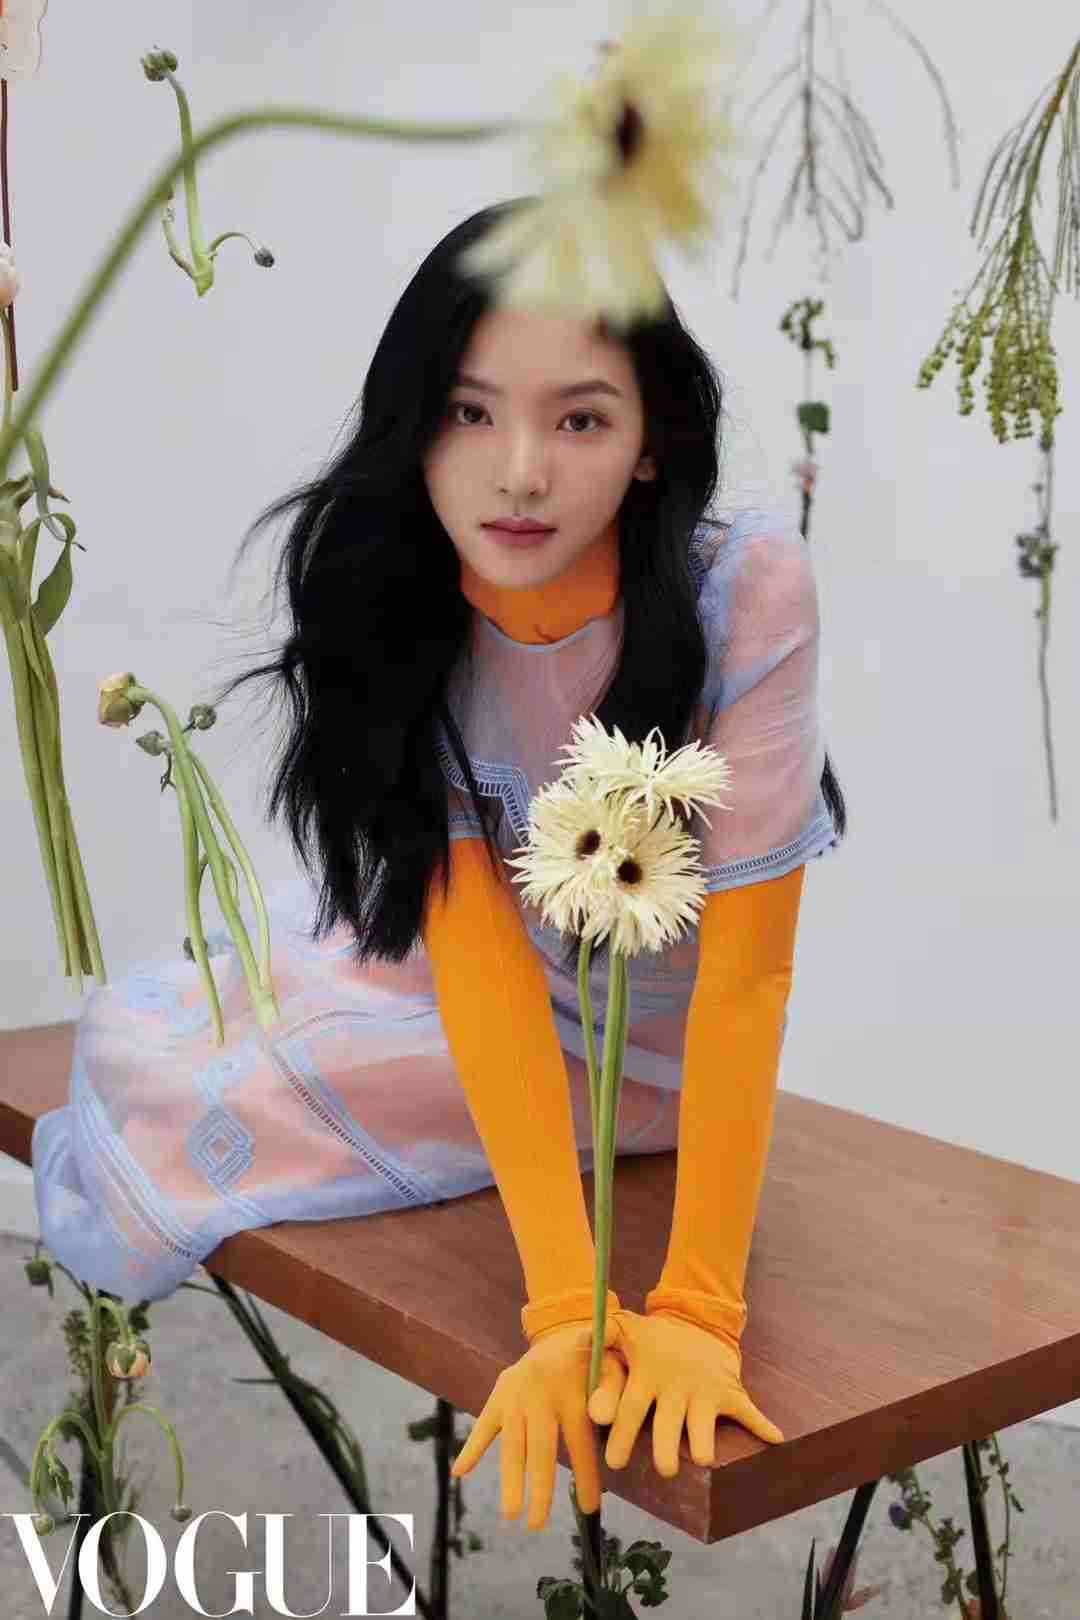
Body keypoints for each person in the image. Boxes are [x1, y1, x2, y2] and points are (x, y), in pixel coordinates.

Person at [31, 195, 846, 1534]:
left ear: (652, 444)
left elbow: (746, 981)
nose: (518, 474)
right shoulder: (415, 604)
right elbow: (477, 967)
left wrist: (696, 1309)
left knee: (198, 1099)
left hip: (644, 1054)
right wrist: (565, 1311)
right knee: (154, 1045)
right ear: (414, 422)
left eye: (580, 421)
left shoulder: (746, 592)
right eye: (470, 412)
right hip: (486, 1005)